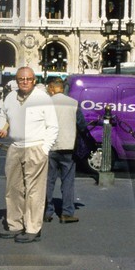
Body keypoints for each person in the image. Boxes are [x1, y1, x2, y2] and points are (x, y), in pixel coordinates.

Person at [0, 66, 58, 243]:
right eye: (21, 79)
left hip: (35, 147)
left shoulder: (43, 99)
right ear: (16, 81)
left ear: (34, 80)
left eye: (28, 79)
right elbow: (3, 115)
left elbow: (53, 126)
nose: (25, 82)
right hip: (15, 148)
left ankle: (32, 228)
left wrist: (45, 149)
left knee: (34, 191)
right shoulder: (10, 97)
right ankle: (15, 225)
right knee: (13, 189)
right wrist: (1, 129)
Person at [42, 75, 80, 224]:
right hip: (68, 147)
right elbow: (81, 124)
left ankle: (47, 212)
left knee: (48, 181)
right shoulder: (73, 103)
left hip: (50, 147)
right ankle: (67, 213)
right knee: (68, 182)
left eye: (48, 88)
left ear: (52, 88)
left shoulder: (46, 103)